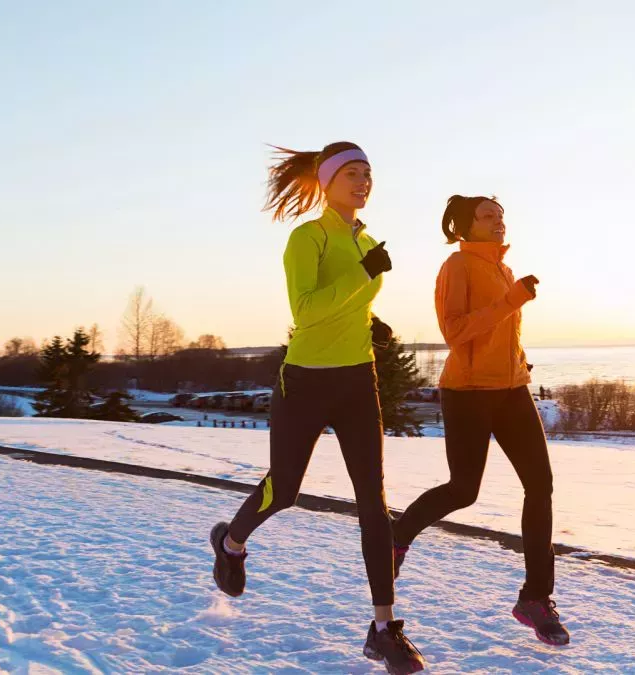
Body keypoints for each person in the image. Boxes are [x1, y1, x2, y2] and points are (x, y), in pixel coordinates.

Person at [208, 141, 425, 673]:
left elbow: (346, 304)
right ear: (326, 182)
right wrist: (362, 276)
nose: (364, 180)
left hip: (357, 380)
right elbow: (305, 312)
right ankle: (231, 543)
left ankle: (383, 629)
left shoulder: (366, 239)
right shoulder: (307, 237)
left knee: (373, 504)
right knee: (284, 490)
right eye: (353, 172)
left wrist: (371, 322)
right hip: (304, 380)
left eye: (369, 173)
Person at [392, 195, 570, 646]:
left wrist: (520, 363)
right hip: (468, 392)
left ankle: (535, 598)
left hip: (512, 390)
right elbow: (454, 331)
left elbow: (504, 332)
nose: (499, 223)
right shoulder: (458, 267)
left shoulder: (503, 268)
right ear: (464, 226)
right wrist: (511, 301)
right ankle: (400, 533)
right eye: (488, 216)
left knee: (540, 486)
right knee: (464, 490)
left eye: (502, 216)